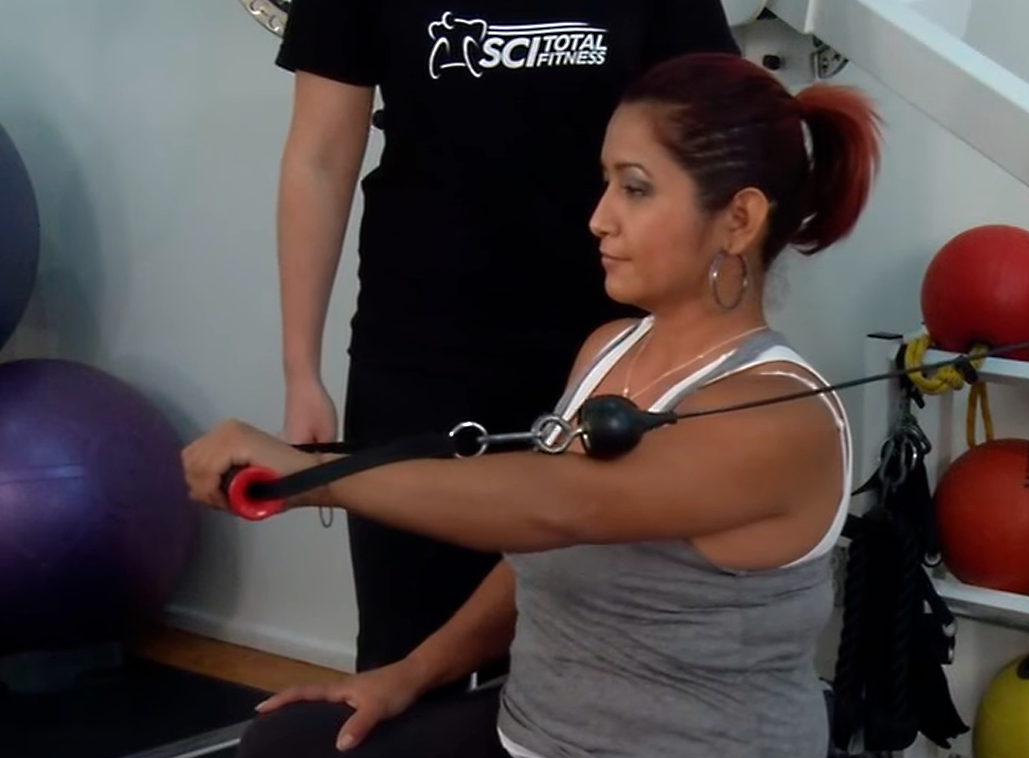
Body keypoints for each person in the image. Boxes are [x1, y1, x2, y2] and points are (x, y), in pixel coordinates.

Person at [184, 52, 882, 758]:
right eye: (604, 184)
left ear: (737, 219)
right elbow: (543, 552)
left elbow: (556, 505)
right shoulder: (608, 352)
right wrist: (408, 674)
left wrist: (315, 477)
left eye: (634, 189)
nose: (597, 219)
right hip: (546, 732)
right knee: (289, 753)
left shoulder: (776, 416)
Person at [272, 0, 740, 674]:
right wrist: (300, 370)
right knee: (406, 647)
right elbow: (318, 159)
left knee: (583, 641)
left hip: (608, 356)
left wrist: (710, 350)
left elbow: (719, 144)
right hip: (418, 348)